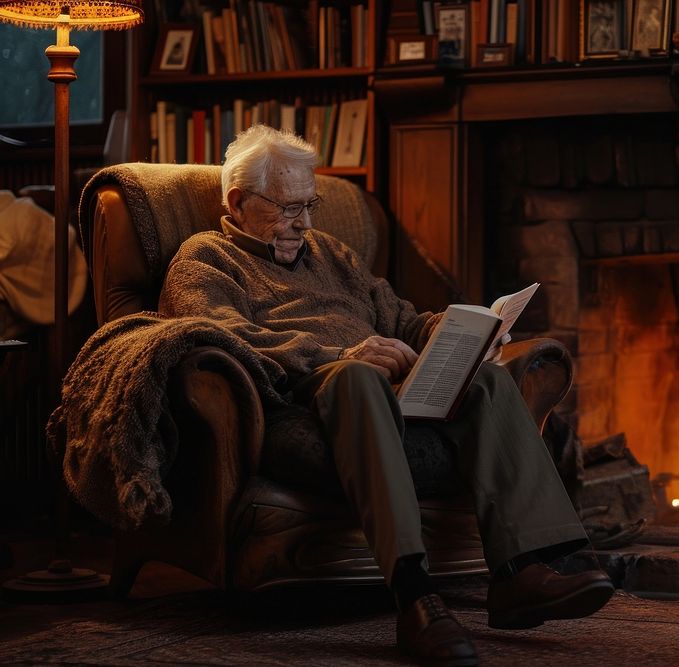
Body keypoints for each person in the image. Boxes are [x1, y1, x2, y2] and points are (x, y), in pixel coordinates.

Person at [157, 125, 613, 665]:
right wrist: (338, 356)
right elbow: (219, 334)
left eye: (311, 205)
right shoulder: (205, 259)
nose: (304, 223)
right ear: (238, 201)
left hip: (386, 384)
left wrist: (467, 330)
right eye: (289, 209)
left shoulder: (330, 253)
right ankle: (415, 594)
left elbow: (403, 319)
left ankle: (522, 570)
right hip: (303, 397)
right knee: (360, 378)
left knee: (489, 377)